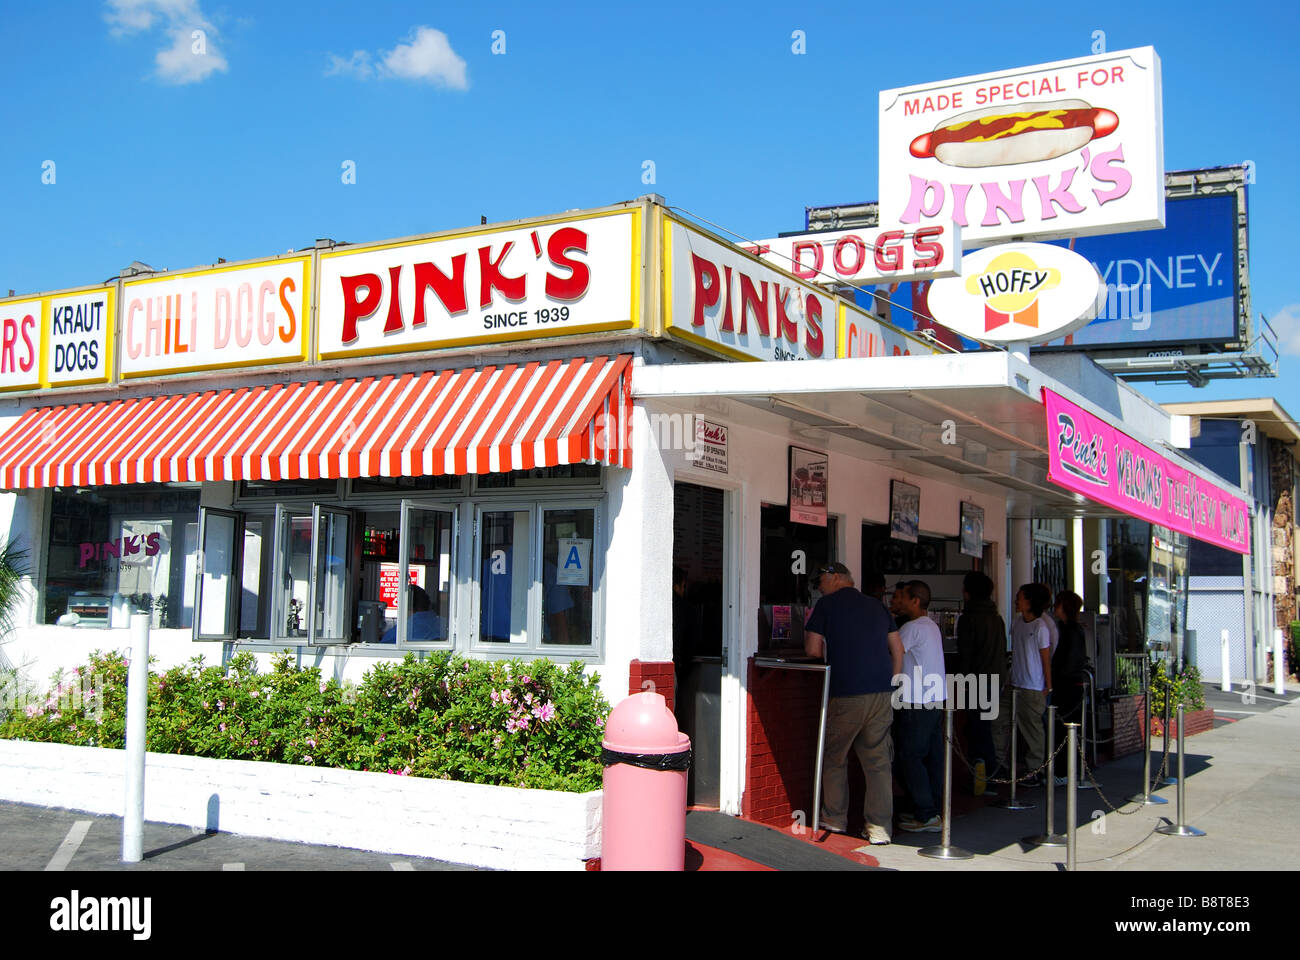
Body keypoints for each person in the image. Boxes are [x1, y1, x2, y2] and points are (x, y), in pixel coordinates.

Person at [804, 561, 903, 845]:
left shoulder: (827, 605)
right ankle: (880, 829)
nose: (819, 586)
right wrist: (892, 682)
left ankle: (835, 819)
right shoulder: (877, 606)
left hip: (845, 693)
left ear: (835, 578)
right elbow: (898, 649)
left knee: (835, 757)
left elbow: (812, 649)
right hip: (881, 694)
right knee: (878, 763)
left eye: (820, 579)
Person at [895, 580, 946, 832]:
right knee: (932, 758)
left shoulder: (911, 627)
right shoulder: (931, 626)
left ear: (915, 600)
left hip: (917, 700)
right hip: (935, 699)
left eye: (902, 596)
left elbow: (892, 653)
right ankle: (932, 810)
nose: (898, 601)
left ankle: (926, 814)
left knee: (910, 757)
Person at [992, 583, 1052, 786]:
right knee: (999, 721)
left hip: (1033, 686)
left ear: (1030, 601)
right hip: (1014, 683)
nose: (1016, 600)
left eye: (1020, 597)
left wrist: (1047, 685)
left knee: (1032, 730)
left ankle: (1035, 770)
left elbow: (1045, 658)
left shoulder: (1040, 627)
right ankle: (1001, 764)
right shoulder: (1018, 622)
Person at [956, 571, 1005, 795]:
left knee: (977, 732)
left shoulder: (969, 618)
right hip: (993, 681)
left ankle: (983, 779)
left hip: (974, 682)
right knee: (985, 730)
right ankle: (986, 778)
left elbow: (965, 654)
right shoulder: (996, 617)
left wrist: (960, 683)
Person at [1052, 590, 1089, 734]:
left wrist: (1055, 674)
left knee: (1063, 728)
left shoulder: (1070, 630)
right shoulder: (1068, 628)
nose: (1054, 607)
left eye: (1057, 604)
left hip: (1066, 685)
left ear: (1064, 606)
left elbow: (1069, 660)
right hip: (1069, 682)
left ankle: (1066, 755)